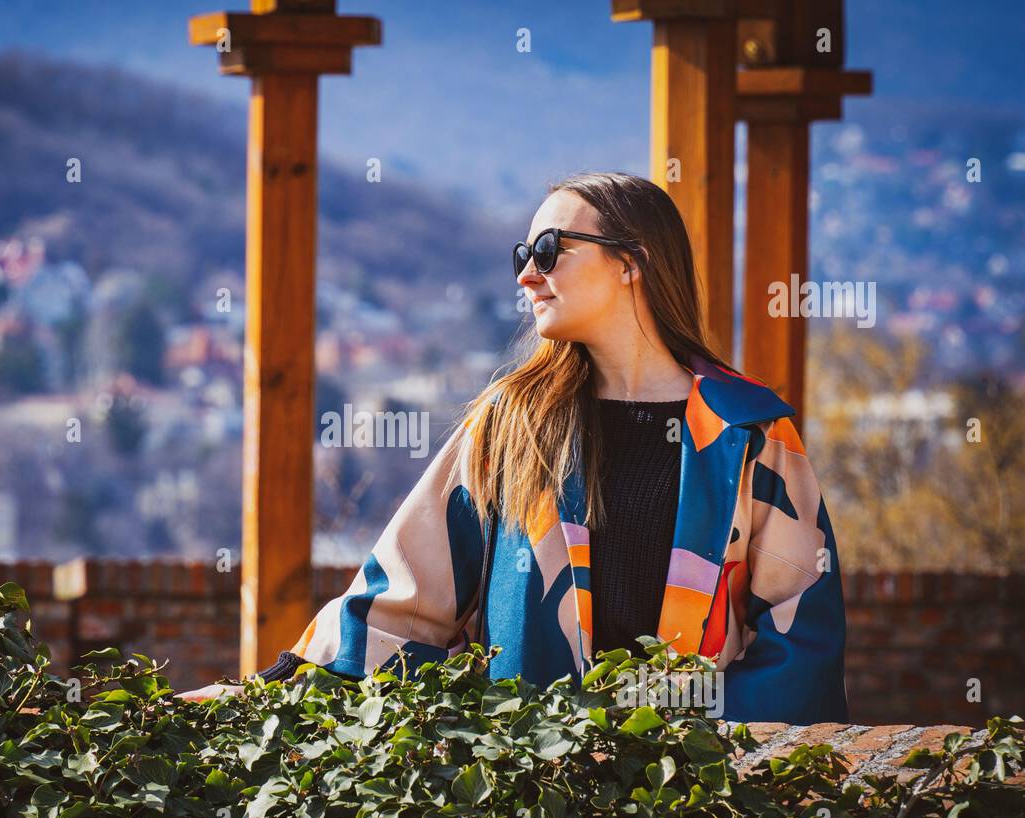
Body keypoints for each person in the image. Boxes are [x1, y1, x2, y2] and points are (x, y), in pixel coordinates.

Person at [177, 171, 848, 726]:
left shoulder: (749, 436)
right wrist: (267, 693)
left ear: (631, 262)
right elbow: (398, 607)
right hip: (527, 810)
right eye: (521, 256)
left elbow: (800, 652)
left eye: (550, 249)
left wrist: (688, 753)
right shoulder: (511, 426)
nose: (527, 275)